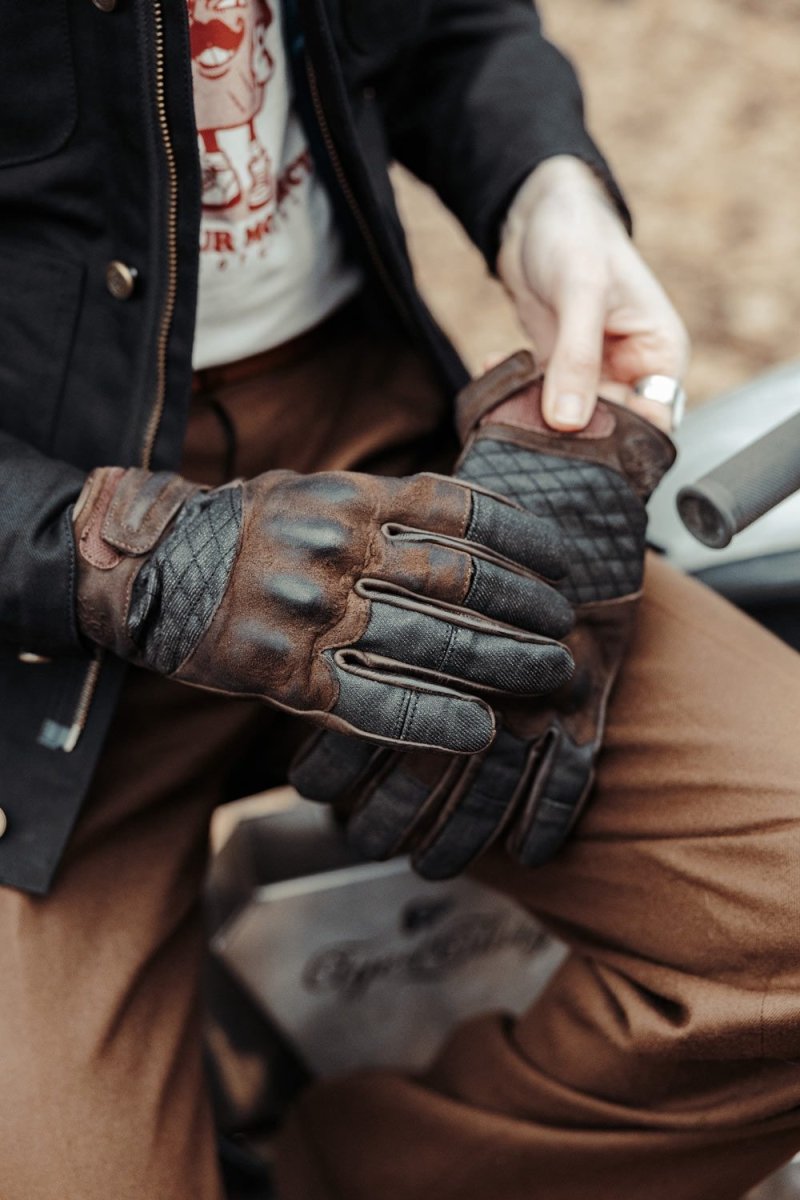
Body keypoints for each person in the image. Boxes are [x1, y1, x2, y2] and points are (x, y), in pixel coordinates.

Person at [0, 3, 798, 1199]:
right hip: (32, 603)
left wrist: (546, 194)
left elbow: (449, 28)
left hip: (370, 461)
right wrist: (126, 562)